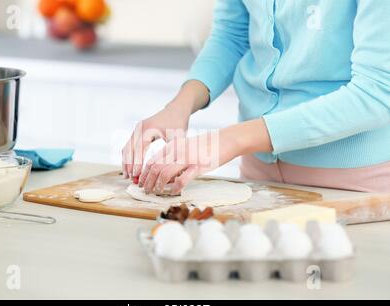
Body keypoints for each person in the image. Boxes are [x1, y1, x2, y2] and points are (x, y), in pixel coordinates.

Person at [122, 0, 390, 195]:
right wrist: (178, 107)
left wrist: (231, 139)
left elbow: (377, 91)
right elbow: (232, 35)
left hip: (353, 185)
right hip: (258, 174)